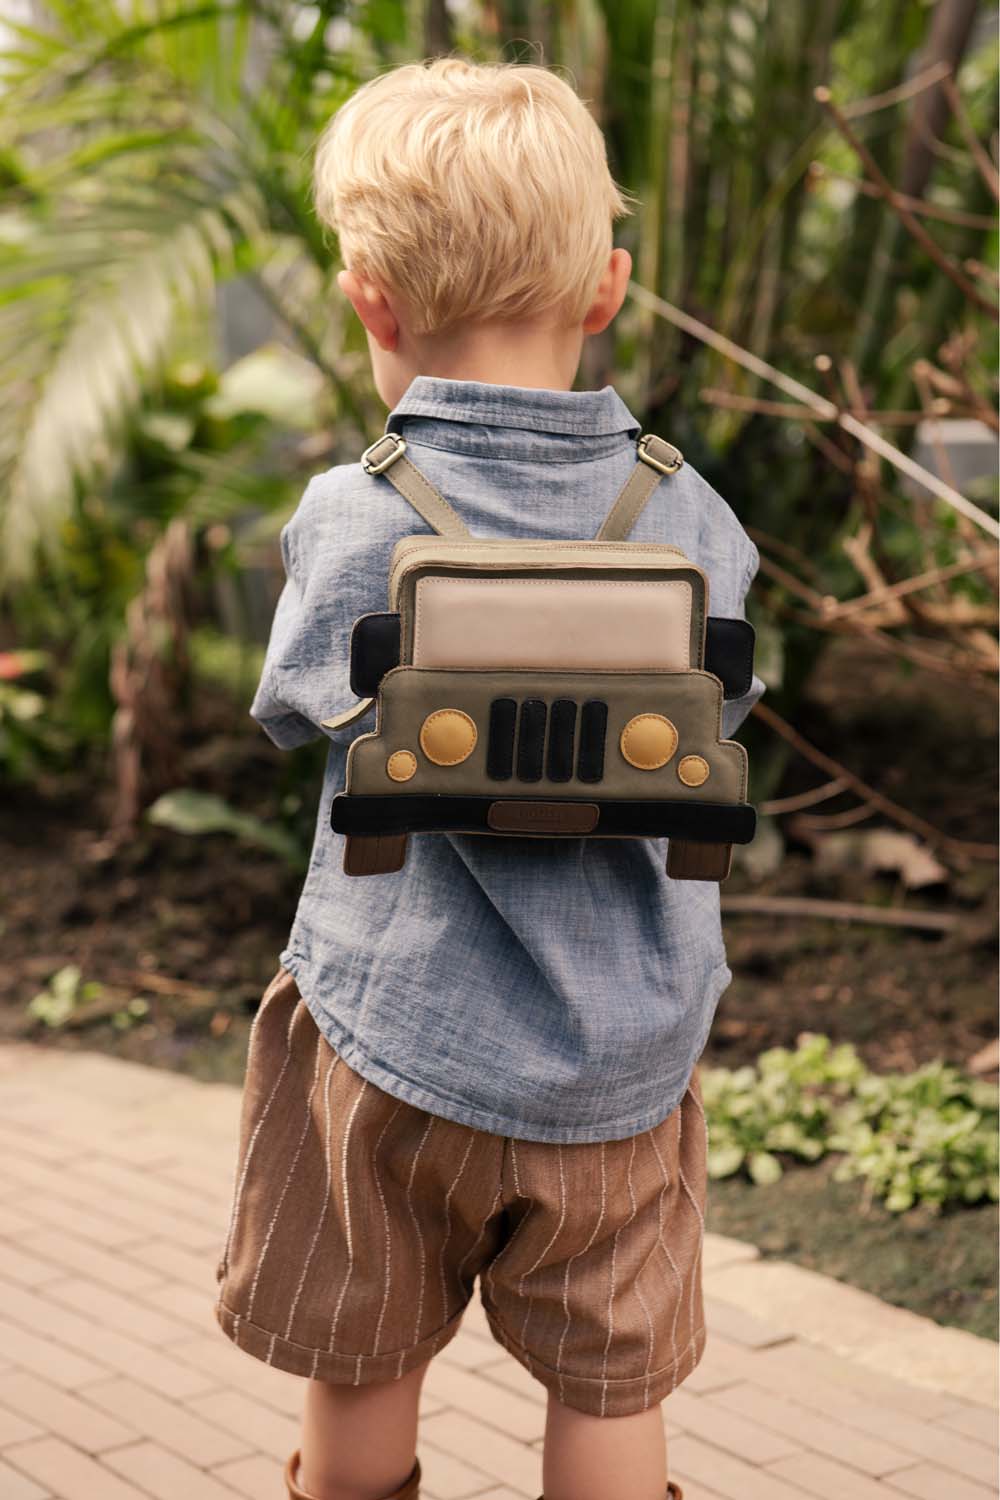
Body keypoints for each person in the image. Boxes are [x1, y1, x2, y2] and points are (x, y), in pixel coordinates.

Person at [215, 56, 764, 1500]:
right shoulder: (688, 514)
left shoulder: (357, 513)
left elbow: (297, 710)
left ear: (370, 305)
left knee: (365, 1350)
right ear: (606, 290)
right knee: (610, 1375)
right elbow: (735, 701)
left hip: (399, 1039)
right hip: (619, 1060)